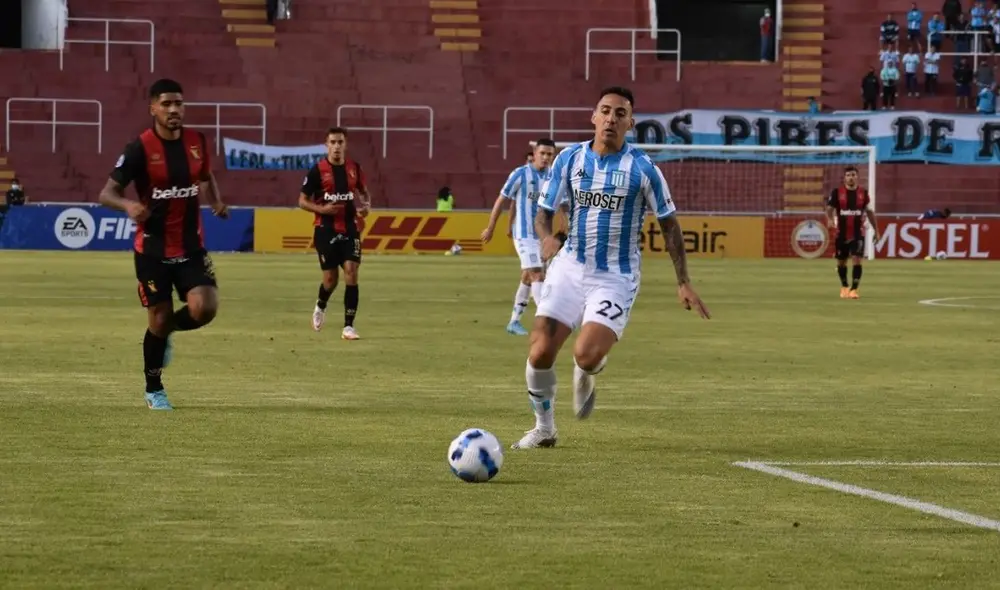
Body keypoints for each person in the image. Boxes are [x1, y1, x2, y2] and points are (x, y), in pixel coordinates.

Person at [510, 86, 711, 450]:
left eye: (621, 114)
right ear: (593, 117)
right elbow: (542, 214)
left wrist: (684, 282)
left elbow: (670, 226)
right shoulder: (569, 159)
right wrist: (546, 237)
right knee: (539, 350)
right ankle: (544, 428)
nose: (611, 119)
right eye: (605, 111)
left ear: (630, 123)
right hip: (570, 266)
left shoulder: (644, 169)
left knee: (585, 355)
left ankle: (589, 368)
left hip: (615, 276)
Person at [98, 78, 229, 410]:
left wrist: (215, 200)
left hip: (190, 247)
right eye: (167, 104)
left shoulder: (198, 142)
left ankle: (167, 331)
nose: (174, 110)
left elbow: (205, 176)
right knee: (158, 317)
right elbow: (106, 193)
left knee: (205, 308)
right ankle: (154, 388)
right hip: (152, 250)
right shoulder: (139, 149)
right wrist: (129, 206)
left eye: (179, 104)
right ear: (153, 108)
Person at [299, 127, 372, 339]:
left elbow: (364, 191)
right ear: (326, 145)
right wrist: (322, 210)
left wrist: (366, 205)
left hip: (350, 227)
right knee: (331, 279)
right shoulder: (317, 171)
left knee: (352, 271)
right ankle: (320, 305)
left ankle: (348, 326)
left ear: (345, 144)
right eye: (333, 142)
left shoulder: (354, 168)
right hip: (325, 229)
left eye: (340, 142)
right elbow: (302, 201)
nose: (337, 146)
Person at [481, 138, 557, 335]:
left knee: (528, 277)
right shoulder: (521, 174)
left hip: (542, 237)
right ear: (535, 153)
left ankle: (514, 322)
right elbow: (503, 200)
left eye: (550, 154)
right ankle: (545, 322)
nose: (546, 157)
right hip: (523, 234)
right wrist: (491, 227)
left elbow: (562, 207)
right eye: (543, 153)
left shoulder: (553, 177)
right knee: (537, 274)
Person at [825, 166, 879, 300]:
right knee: (841, 262)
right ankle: (844, 286)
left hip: (857, 233)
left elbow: (870, 213)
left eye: (853, 175)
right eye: (848, 175)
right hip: (841, 233)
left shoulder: (863, 193)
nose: (851, 177)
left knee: (857, 260)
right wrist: (830, 220)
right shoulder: (837, 192)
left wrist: (876, 231)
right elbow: (829, 209)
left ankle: (854, 289)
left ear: (857, 177)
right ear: (844, 178)